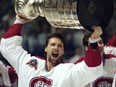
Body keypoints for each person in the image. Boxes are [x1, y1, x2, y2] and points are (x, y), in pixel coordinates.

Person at [0, 15, 103, 87]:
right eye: (52, 44)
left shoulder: (68, 71)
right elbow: (7, 47)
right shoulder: (29, 63)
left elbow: (93, 69)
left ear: (63, 52)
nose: (56, 47)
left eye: (60, 46)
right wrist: (19, 21)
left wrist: (93, 40)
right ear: (46, 48)